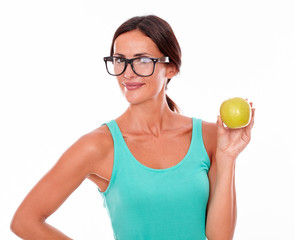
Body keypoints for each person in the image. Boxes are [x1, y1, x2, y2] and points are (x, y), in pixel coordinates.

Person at [11, 15, 255, 240]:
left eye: (142, 60)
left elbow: (219, 237)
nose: (128, 73)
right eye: (120, 61)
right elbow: (25, 221)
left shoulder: (210, 137)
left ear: (171, 67)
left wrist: (227, 156)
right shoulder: (98, 145)